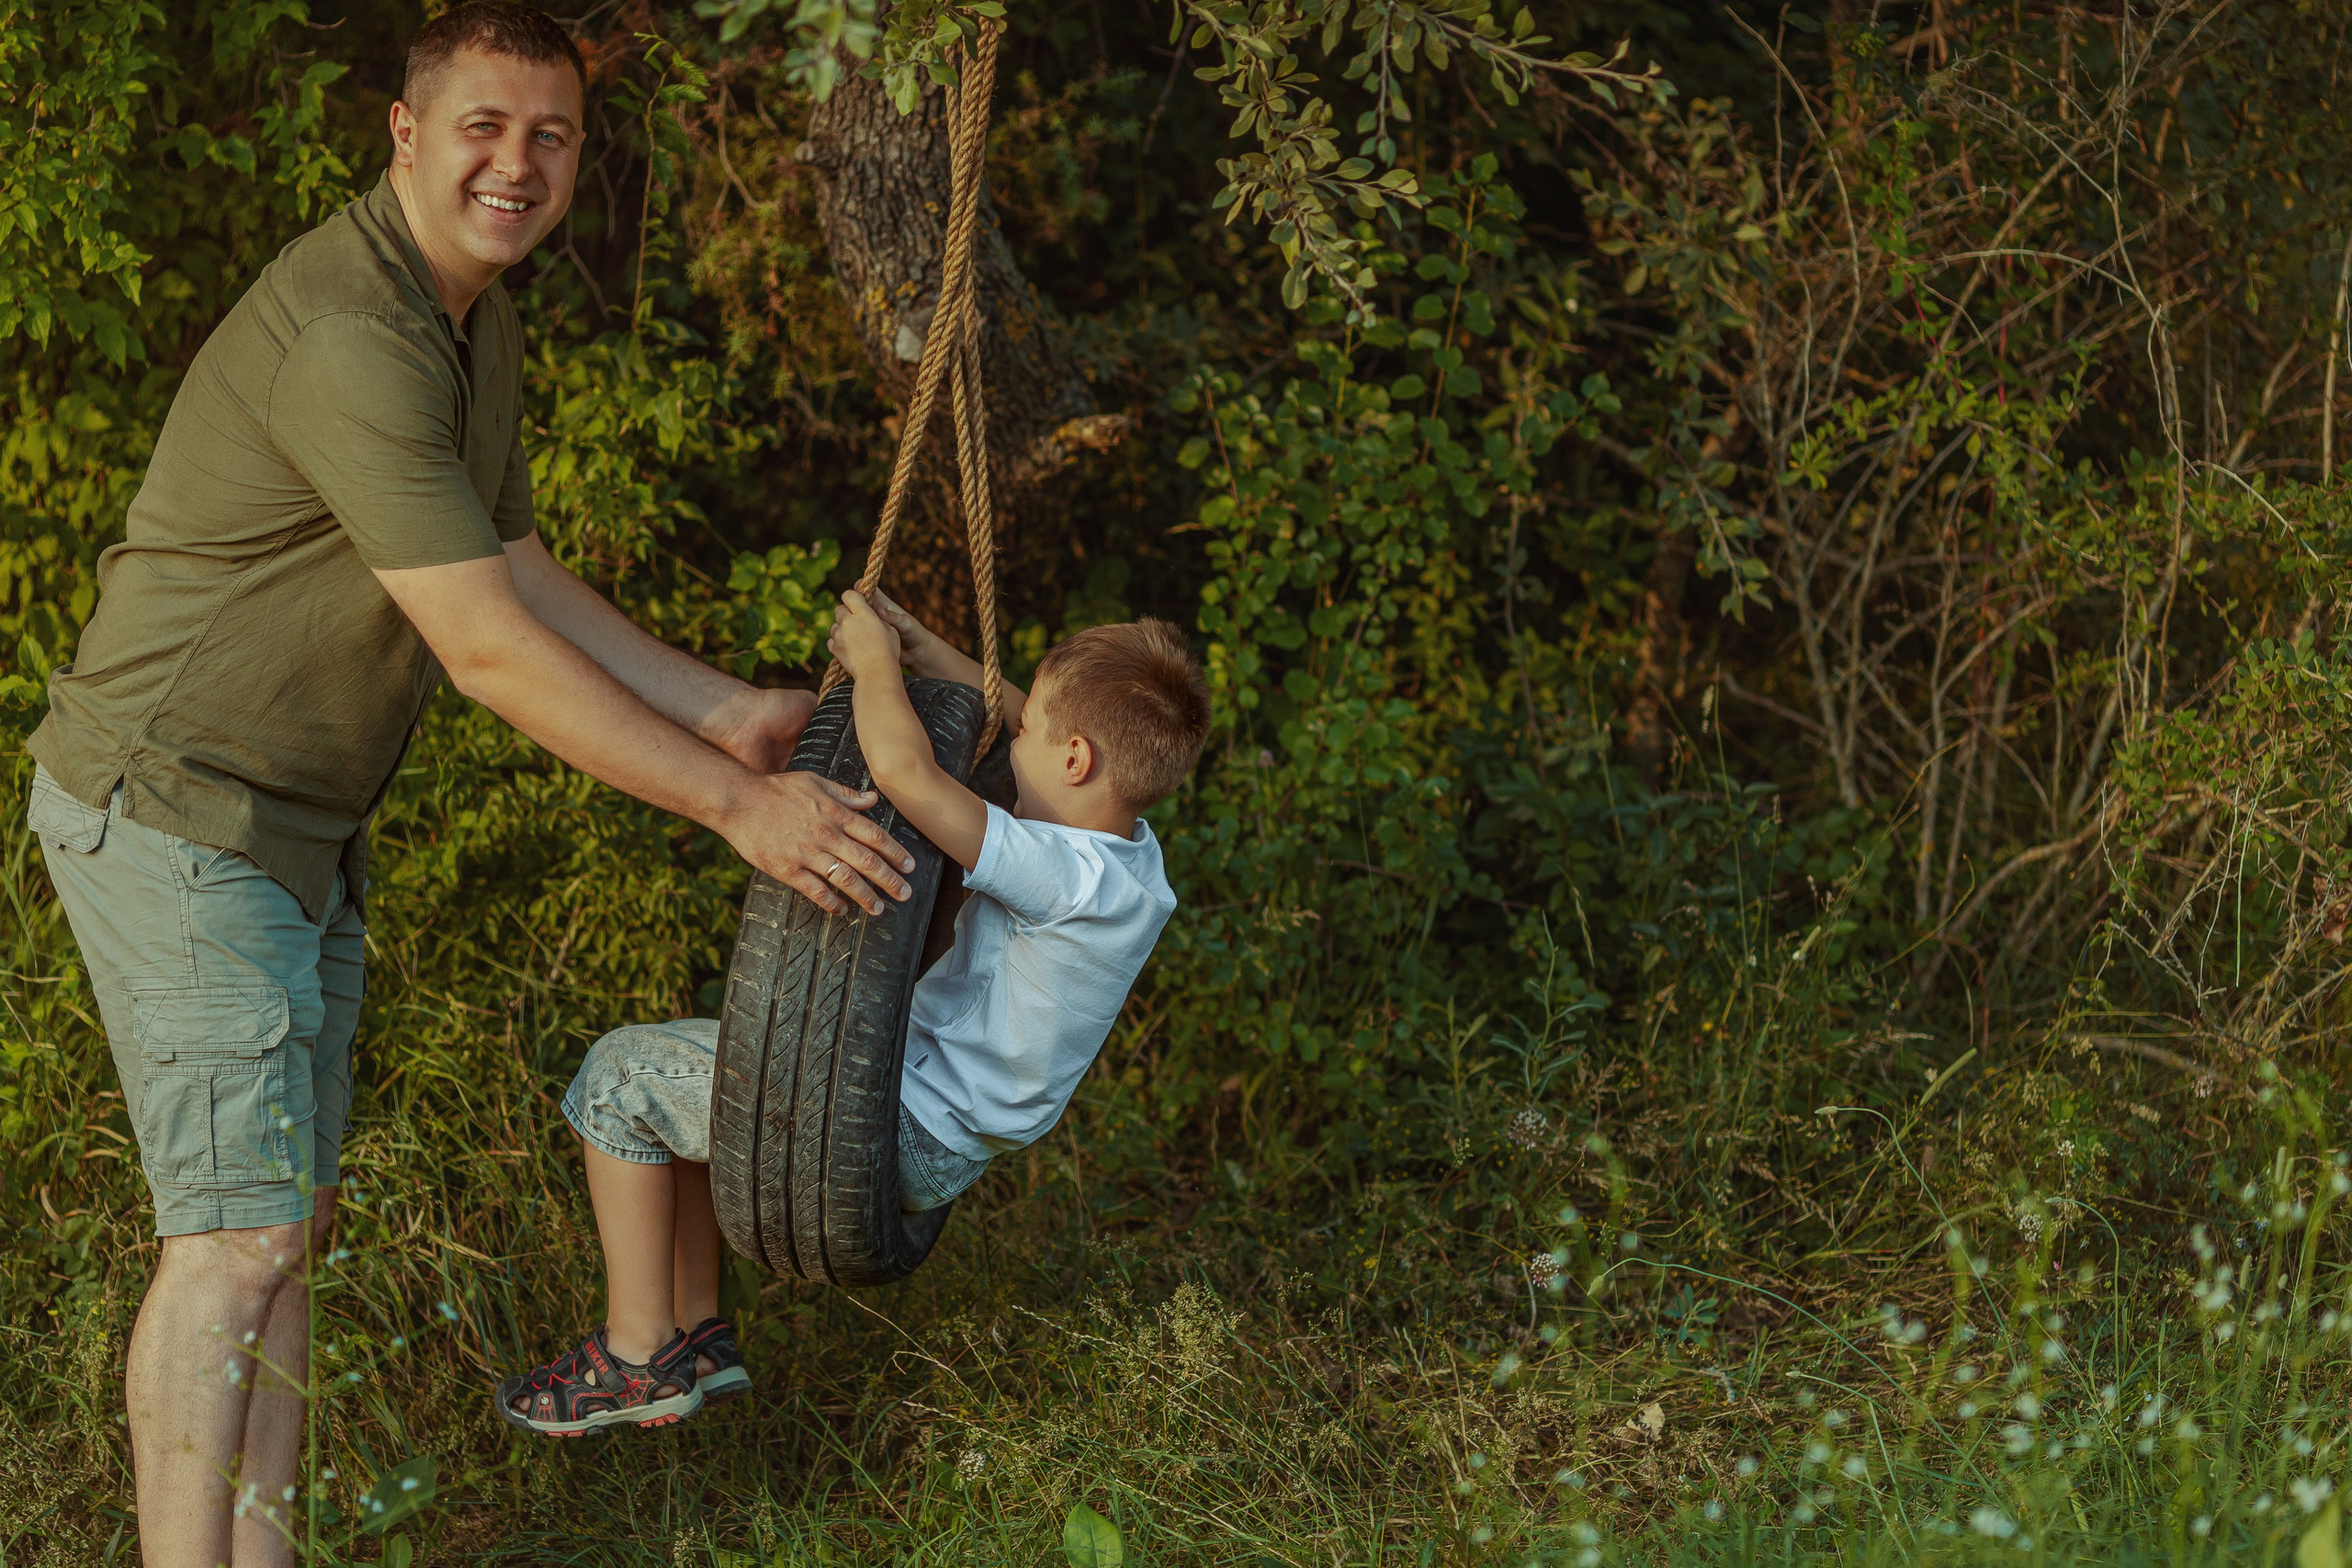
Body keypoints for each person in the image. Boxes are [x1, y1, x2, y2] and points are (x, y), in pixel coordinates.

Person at [18, 6, 922, 1563]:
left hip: (292, 829)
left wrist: (730, 715)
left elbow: (509, 560)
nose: (519, 164)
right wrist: (737, 806)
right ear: (406, 135)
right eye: (485, 129)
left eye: (552, 136)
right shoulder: (356, 335)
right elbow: (487, 650)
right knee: (232, 1241)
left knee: (284, 1233)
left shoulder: (467, 313)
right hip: (174, 809)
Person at [493, 591, 1210, 1434]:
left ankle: (637, 1354)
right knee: (691, 1102)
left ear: (1079, 759)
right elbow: (1029, 713)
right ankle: (700, 1338)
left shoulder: (1054, 869)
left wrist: (875, 667)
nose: (1012, 732)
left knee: (622, 1078)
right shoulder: (1130, 858)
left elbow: (908, 777)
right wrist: (922, 645)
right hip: (948, 1143)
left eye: (1029, 732)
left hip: (891, 1125)